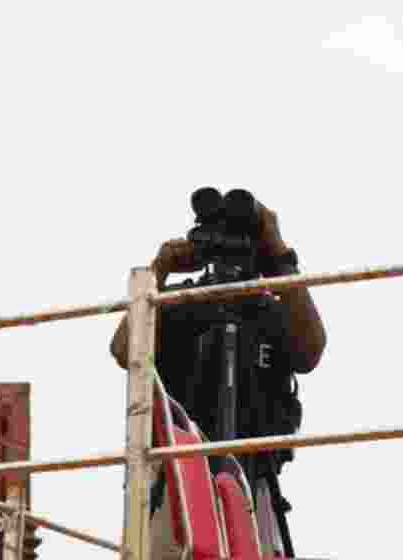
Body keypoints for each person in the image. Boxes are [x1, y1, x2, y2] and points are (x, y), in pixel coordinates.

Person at [109, 198, 326, 557]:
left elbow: (311, 351)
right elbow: (123, 351)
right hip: (180, 479)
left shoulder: (271, 312)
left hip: (255, 474)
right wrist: (159, 270)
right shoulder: (181, 305)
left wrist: (280, 255)